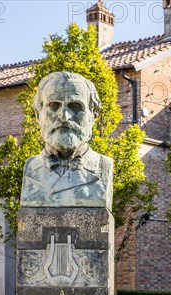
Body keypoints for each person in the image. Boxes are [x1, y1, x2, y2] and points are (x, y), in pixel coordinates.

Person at [20, 71, 113, 209]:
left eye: (75, 106)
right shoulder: (31, 168)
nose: (64, 116)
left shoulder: (103, 166)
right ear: (38, 114)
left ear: (93, 115)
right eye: (53, 105)